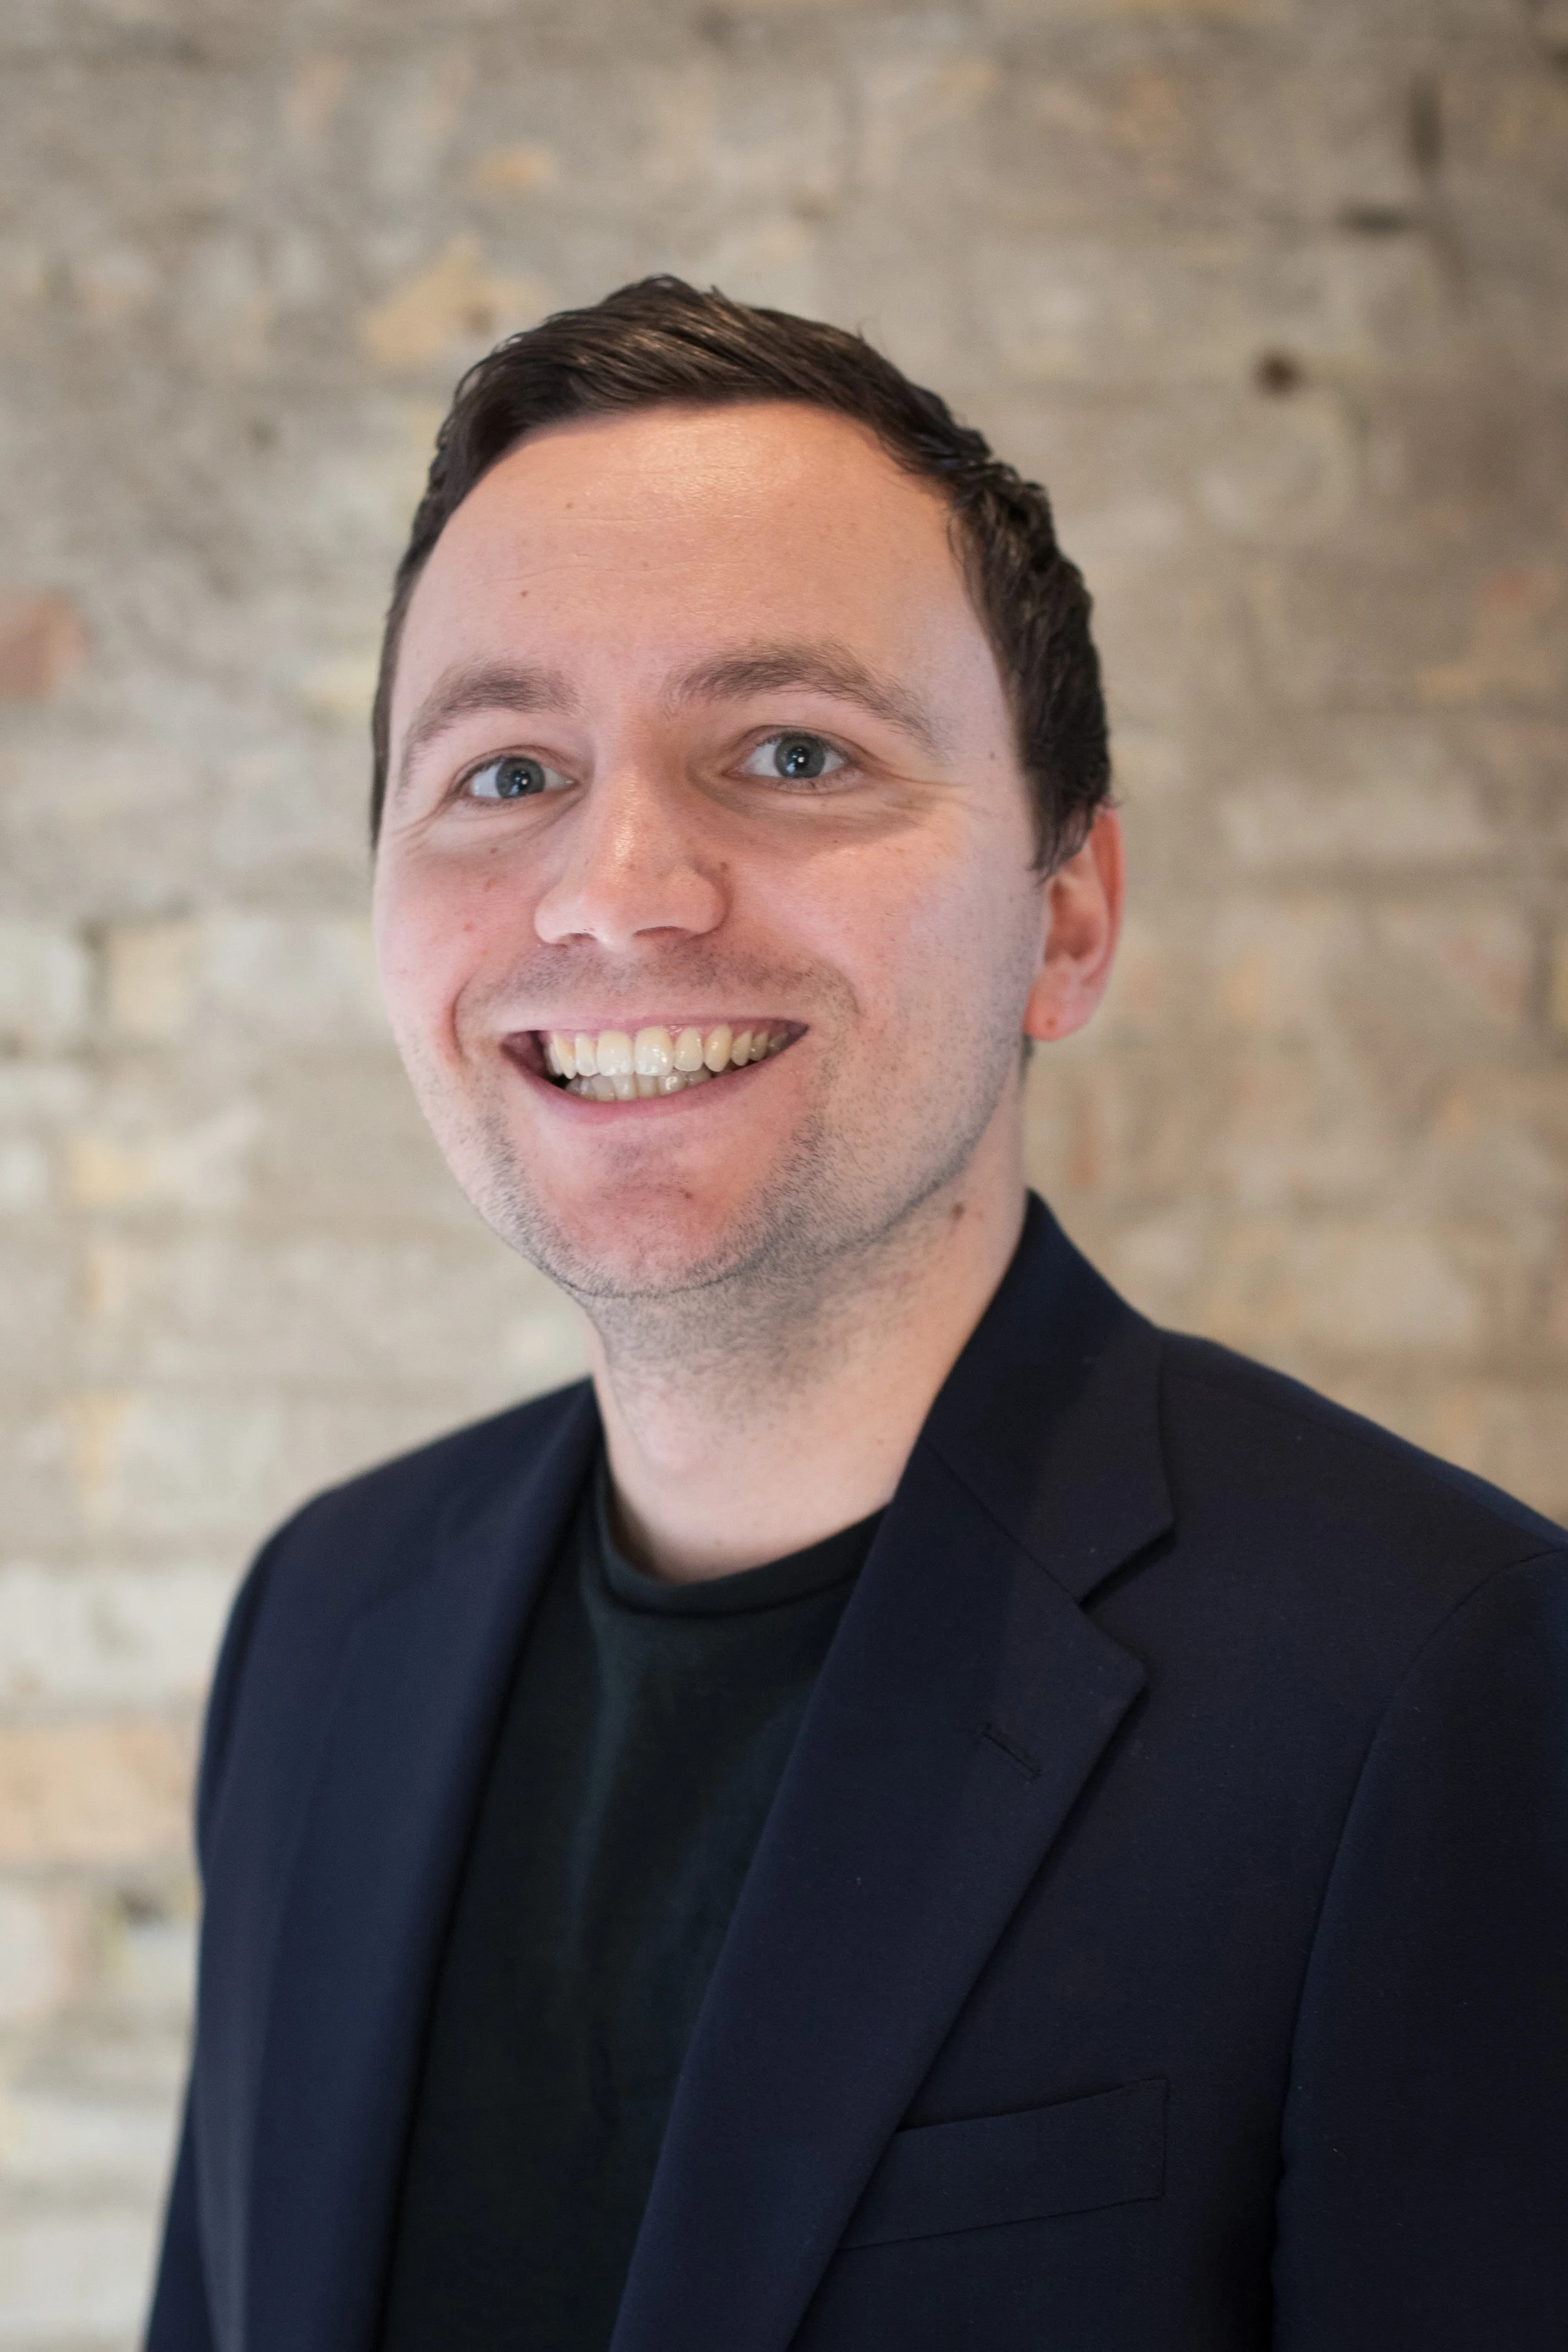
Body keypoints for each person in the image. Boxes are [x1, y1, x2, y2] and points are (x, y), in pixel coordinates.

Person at [145, 279, 1567, 2352]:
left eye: (792, 750)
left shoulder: (1433, 1682)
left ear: (1062, 919)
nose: (616, 888)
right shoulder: (319, 1618)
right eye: (505, 768)